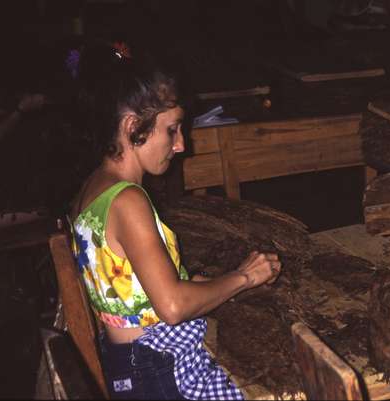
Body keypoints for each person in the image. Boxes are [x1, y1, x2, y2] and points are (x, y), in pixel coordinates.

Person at [69, 44, 281, 400]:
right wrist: (246, 277)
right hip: (157, 370)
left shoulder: (90, 189)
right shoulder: (128, 200)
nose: (181, 145)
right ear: (134, 126)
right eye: (172, 130)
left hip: (127, 364)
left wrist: (216, 282)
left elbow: (135, 293)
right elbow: (171, 306)